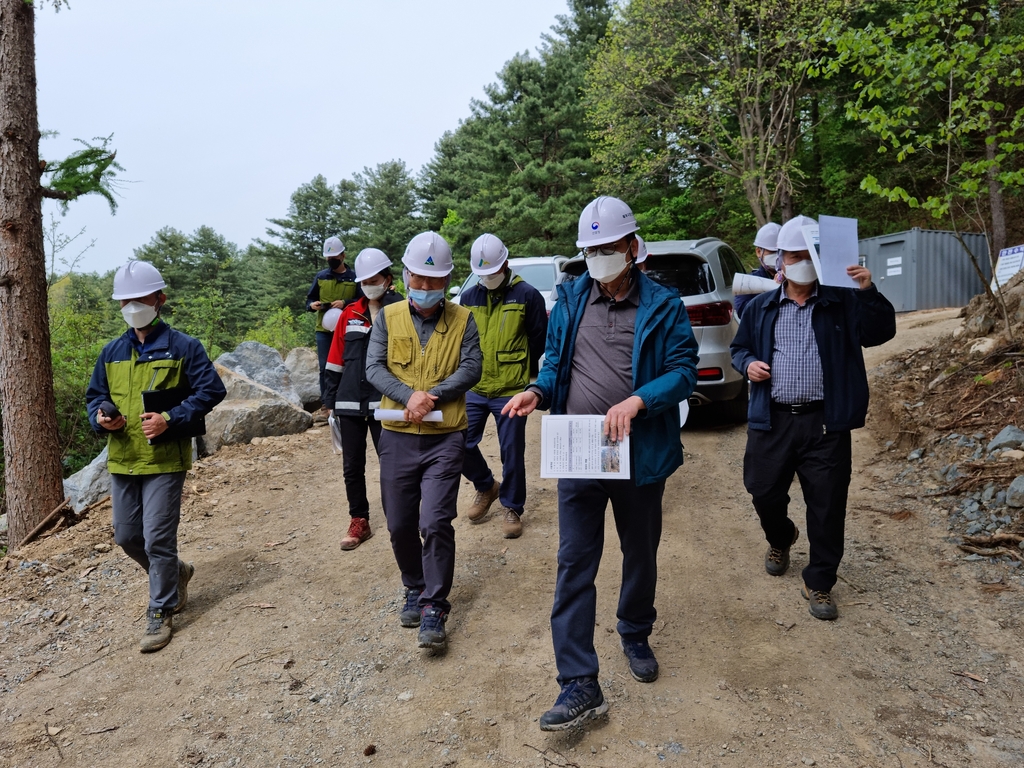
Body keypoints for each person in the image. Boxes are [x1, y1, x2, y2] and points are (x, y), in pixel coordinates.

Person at [503, 196, 698, 730]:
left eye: (608, 248)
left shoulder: (663, 303)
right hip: (579, 450)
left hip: (639, 454)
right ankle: (577, 681)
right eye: (590, 250)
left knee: (640, 552)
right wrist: (537, 393)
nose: (599, 258)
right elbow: (553, 364)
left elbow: (684, 370)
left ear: (633, 248)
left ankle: (634, 631)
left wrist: (640, 401)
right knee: (574, 563)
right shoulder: (567, 300)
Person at [730, 215, 896, 621]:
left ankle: (820, 580)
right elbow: (739, 349)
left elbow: (882, 331)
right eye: (794, 255)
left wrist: (868, 290)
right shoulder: (761, 306)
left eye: (809, 255)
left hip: (825, 422)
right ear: (780, 261)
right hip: (773, 419)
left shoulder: (842, 302)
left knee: (827, 504)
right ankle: (781, 536)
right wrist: (748, 363)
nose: (801, 262)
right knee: (761, 489)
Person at [86, 261, 226, 652]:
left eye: (140, 298)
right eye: (125, 300)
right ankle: (177, 573)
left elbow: (212, 391)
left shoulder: (184, 346)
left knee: (158, 538)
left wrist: (170, 418)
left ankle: (160, 610)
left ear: (159, 299)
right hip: (123, 457)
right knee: (128, 536)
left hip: (165, 457)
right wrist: (101, 418)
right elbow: (95, 396)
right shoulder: (111, 351)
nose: (133, 306)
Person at [365, 232, 482, 652]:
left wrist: (432, 395)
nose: (427, 288)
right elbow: (373, 368)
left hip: (445, 435)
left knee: (434, 521)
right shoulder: (388, 317)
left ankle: (435, 604)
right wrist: (407, 396)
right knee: (398, 524)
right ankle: (413, 587)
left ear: (448, 280)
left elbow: (472, 367)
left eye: (436, 281)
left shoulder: (464, 319)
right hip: (396, 435)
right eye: (420, 279)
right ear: (406, 275)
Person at [459, 233, 548, 538]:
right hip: (475, 386)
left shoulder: (527, 295)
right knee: (459, 443)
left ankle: (512, 505)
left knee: (511, 450)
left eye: (492, 272)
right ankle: (486, 486)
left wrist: (520, 368)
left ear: (506, 264)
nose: (488, 277)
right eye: (482, 273)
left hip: (511, 388)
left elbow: (538, 340)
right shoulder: (469, 297)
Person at [323, 248, 405, 551]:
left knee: (393, 463)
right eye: (365, 280)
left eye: (375, 278)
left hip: (386, 401)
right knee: (352, 465)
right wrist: (330, 398)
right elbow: (335, 359)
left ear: (387, 278)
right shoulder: (350, 313)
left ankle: (398, 515)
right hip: (349, 401)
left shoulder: (401, 310)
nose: (370, 284)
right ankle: (359, 519)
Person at [306, 236, 360, 421]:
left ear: (343, 255)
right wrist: (312, 305)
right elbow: (309, 299)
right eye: (329, 258)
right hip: (324, 330)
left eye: (335, 256)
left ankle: (345, 400)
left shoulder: (354, 278)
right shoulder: (321, 277)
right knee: (324, 367)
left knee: (346, 364)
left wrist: (345, 302)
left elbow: (362, 300)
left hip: (348, 329)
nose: (332, 260)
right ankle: (326, 404)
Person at [734, 222, 782, 318]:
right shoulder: (747, 283)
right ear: (759, 252)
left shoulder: (794, 279)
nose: (777, 256)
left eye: (781, 251)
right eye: (773, 252)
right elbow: (743, 312)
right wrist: (774, 290)